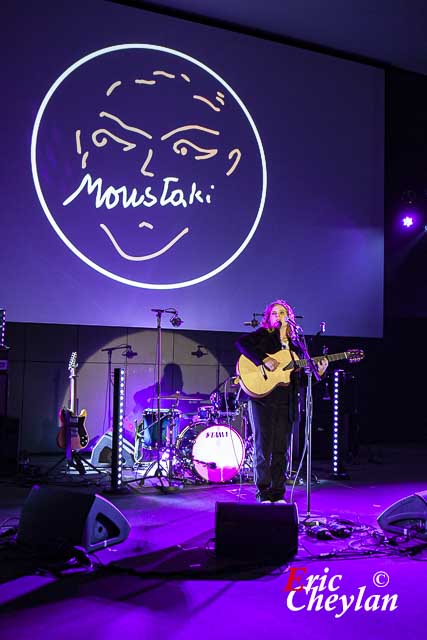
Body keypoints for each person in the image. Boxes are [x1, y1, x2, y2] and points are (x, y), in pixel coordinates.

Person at [235, 299, 328, 503]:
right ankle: (263, 491)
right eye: (274, 313)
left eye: (282, 312)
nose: (278, 316)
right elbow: (241, 343)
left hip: (286, 401)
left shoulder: (297, 346)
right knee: (263, 447)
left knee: (281, 449)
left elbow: (300, 380)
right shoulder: (263, 336)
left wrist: (318, 372)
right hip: (263, 398)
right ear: (268, 318)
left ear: (290, 317)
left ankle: (278, 493)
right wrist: (263, 359)